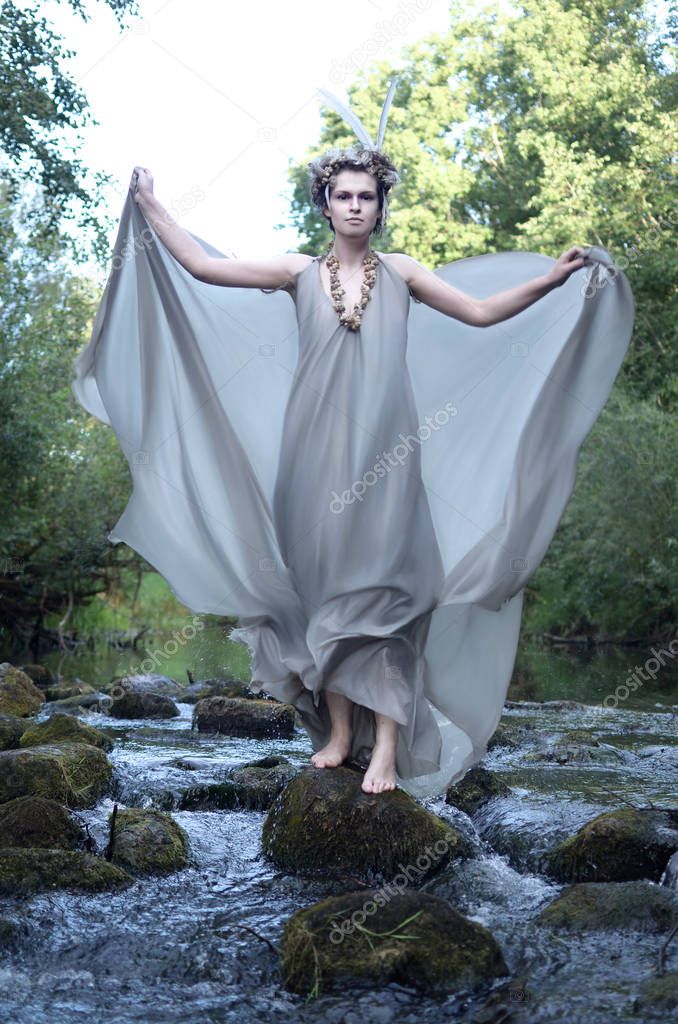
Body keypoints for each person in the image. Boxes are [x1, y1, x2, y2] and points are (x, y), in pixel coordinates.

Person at [72, 105, 633, 801]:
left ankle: (388, 748)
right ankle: (340, 736)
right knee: (325, 598)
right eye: (344, 195)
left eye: (367, 195)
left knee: (389, 599)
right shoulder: (296, 272)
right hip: (311, 462)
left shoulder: (402, 272)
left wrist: (551, 280)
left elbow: (482, 315)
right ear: (325, 203)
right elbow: (202, 266)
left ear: (381, 205)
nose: (356, 205)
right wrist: (151, 204)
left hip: (389, 461)